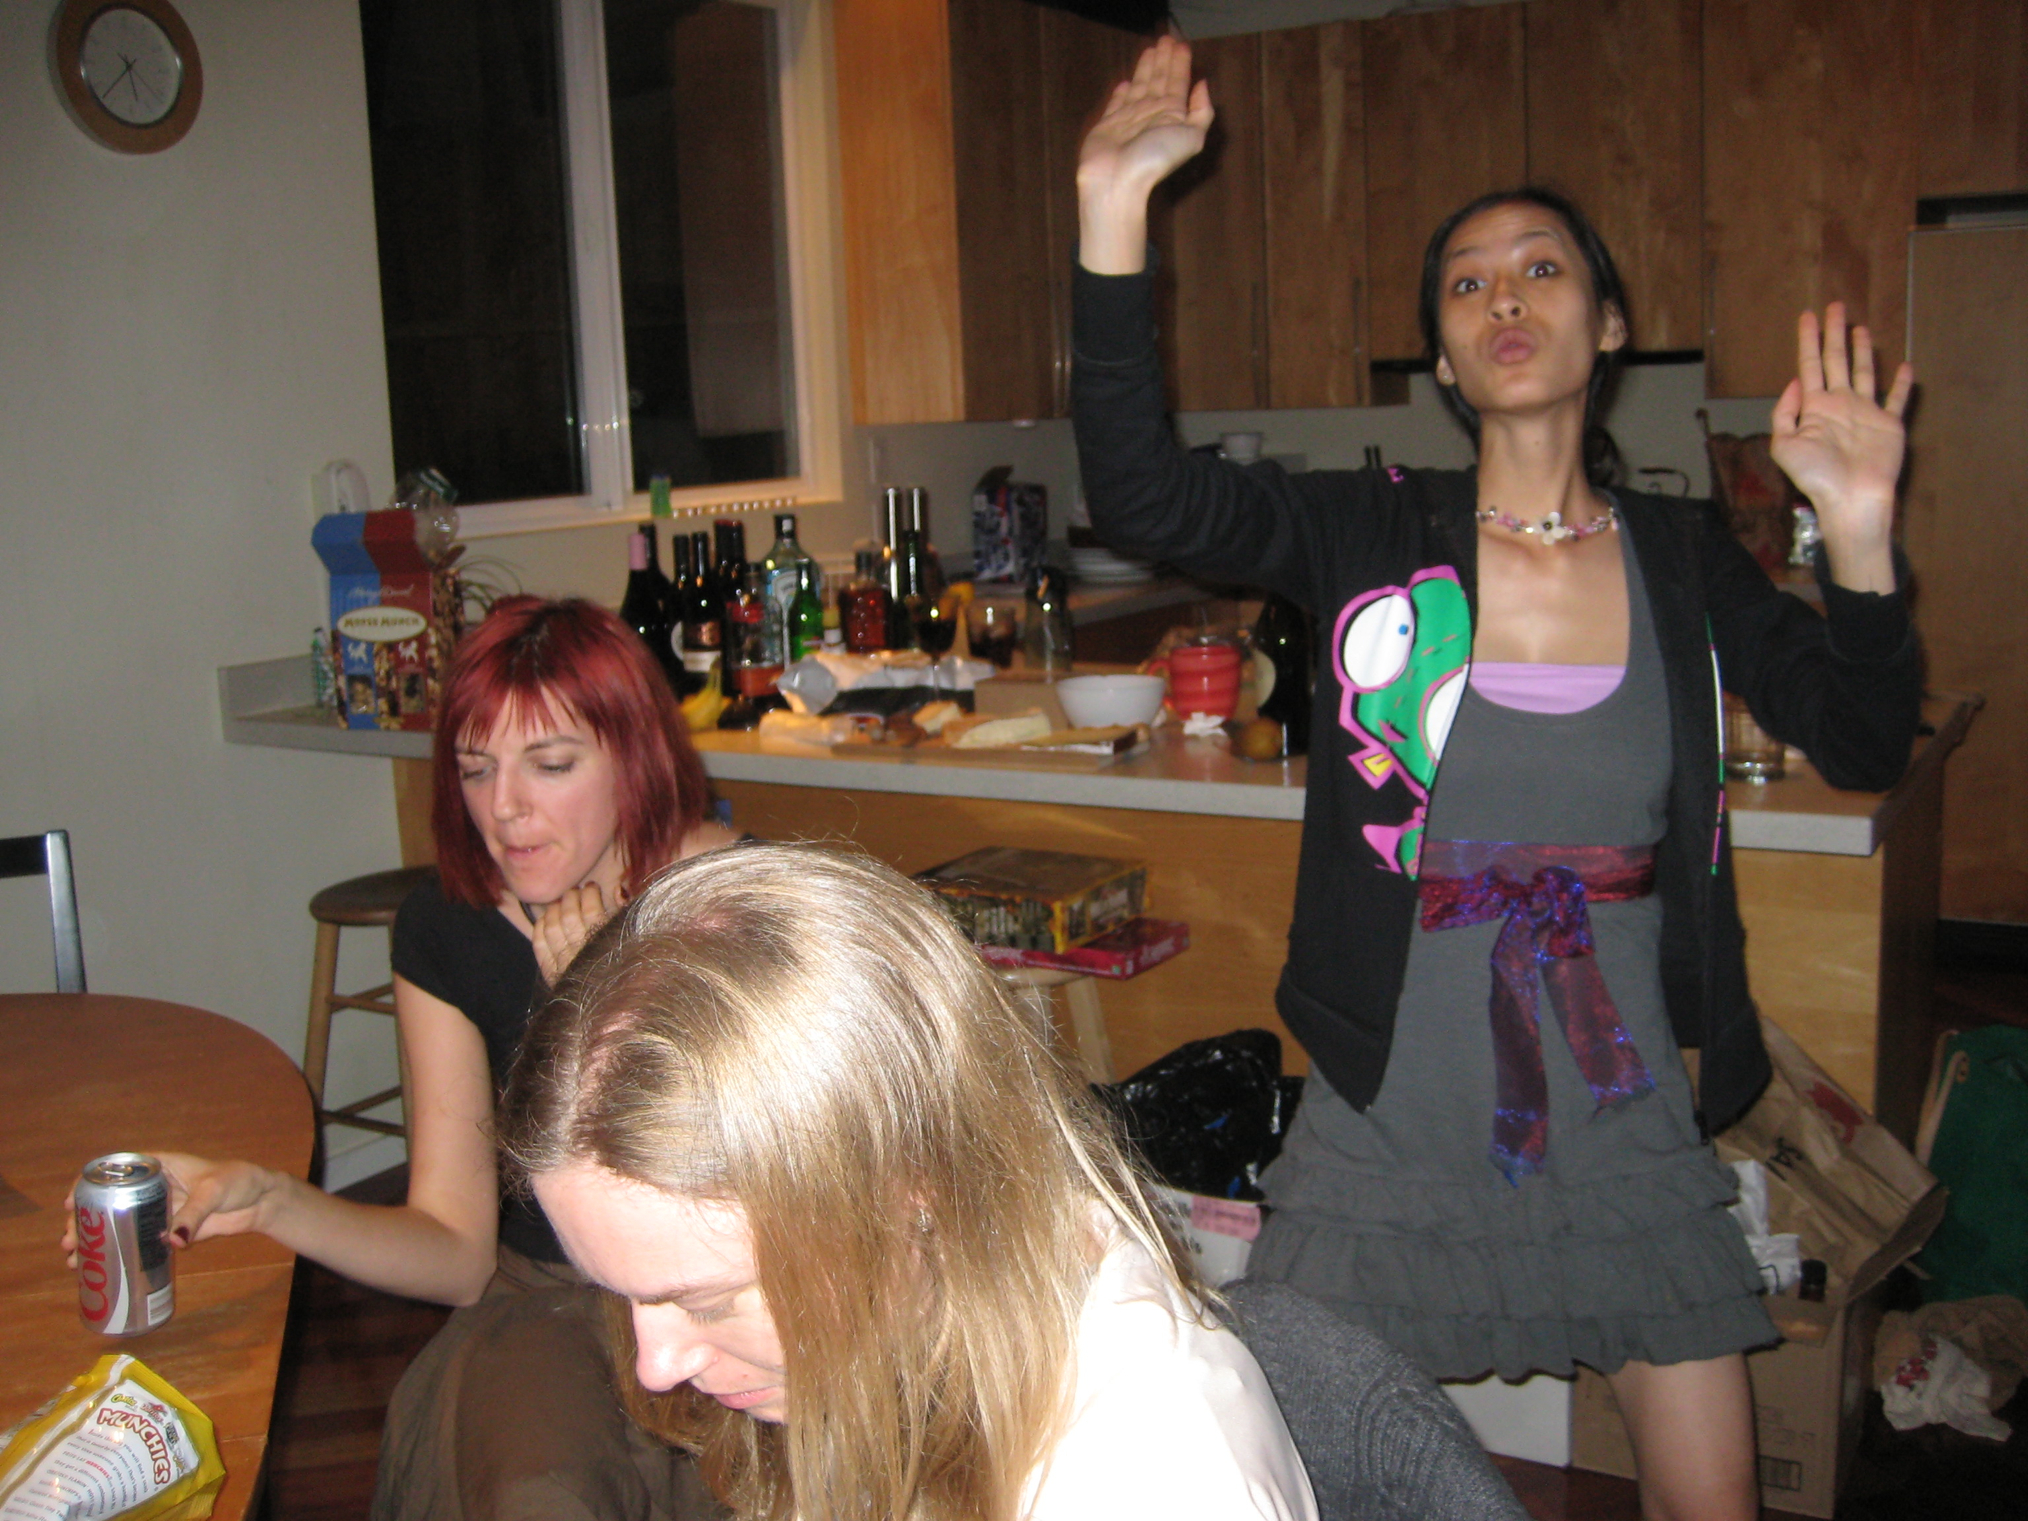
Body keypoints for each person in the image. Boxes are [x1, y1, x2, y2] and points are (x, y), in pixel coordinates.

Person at [1071, 37, 1921, 1521]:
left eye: (1539, 270)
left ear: (1609, 323)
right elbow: (1141, 493)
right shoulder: (1365, 533)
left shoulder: (1677, 559)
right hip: (1393, 1100)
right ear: (1445, 360)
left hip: (1625, 1112)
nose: (1504, 299)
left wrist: (1856, 528)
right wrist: (1112, 209)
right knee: (1306, 1479)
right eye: (1467, 285)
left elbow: (1860, 733)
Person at [83, 596, 737, 1521]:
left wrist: (592, 1009)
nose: (504, 810)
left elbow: (761, 1192)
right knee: (535, 1497)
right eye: (475, 770)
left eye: (549, 764)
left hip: (734, 1295)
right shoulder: (445, 929)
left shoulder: (739, 903)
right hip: (549, 1307)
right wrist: (275, 1199)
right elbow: (458, 1252)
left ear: (634, 759)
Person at [497, 842, 1318, 1521]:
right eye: (622, 1292)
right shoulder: (916, 1330)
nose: (656, 1365)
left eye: (707, 1300)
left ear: (911, 1187)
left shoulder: (1144, 1483)